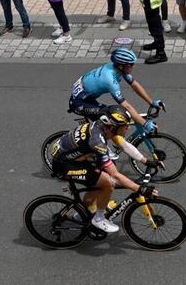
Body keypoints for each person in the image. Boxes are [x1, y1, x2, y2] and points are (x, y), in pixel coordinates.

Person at [47, 106, 155, 234]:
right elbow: (115, 174)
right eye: (124, 126)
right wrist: (139, 188)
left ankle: (83, 210)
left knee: (101, 177)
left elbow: (124, 145)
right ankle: (99, 219)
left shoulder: (104, 127)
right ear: (113, 127)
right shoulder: (97, 141)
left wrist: (147, 161)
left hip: (72, 156)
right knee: (108, 183)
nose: (128, 128)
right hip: (64, 165)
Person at [68, 47, 160, 130]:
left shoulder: (115, 67)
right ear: (121, 66)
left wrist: (151, 102)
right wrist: (145, 123)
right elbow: (126, 106)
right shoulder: (110, 81)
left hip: (86, 97)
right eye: (131, 64)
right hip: (79, 103)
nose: (133, 66)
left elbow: (135, 85)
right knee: (112, 122)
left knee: (113, 120)